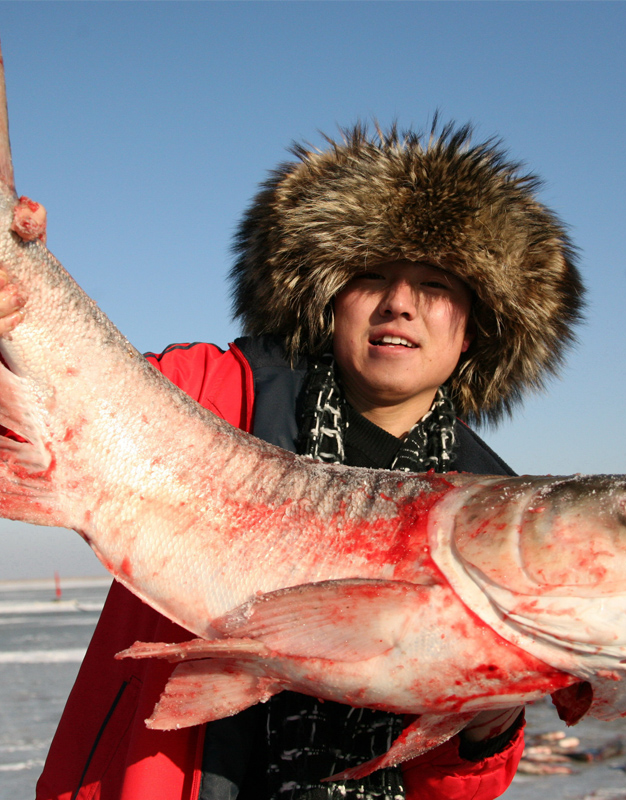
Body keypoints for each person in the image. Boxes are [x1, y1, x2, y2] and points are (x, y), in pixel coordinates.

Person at [4, 119, 584, 800]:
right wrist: (18, 276)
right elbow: (44, 389)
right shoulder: (210, 393)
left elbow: (451, 788)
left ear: (474, 325)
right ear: (329, 298)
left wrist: (486, 723)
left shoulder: (500, 512)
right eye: (371, 276)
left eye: (434, 285)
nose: (399, 304)